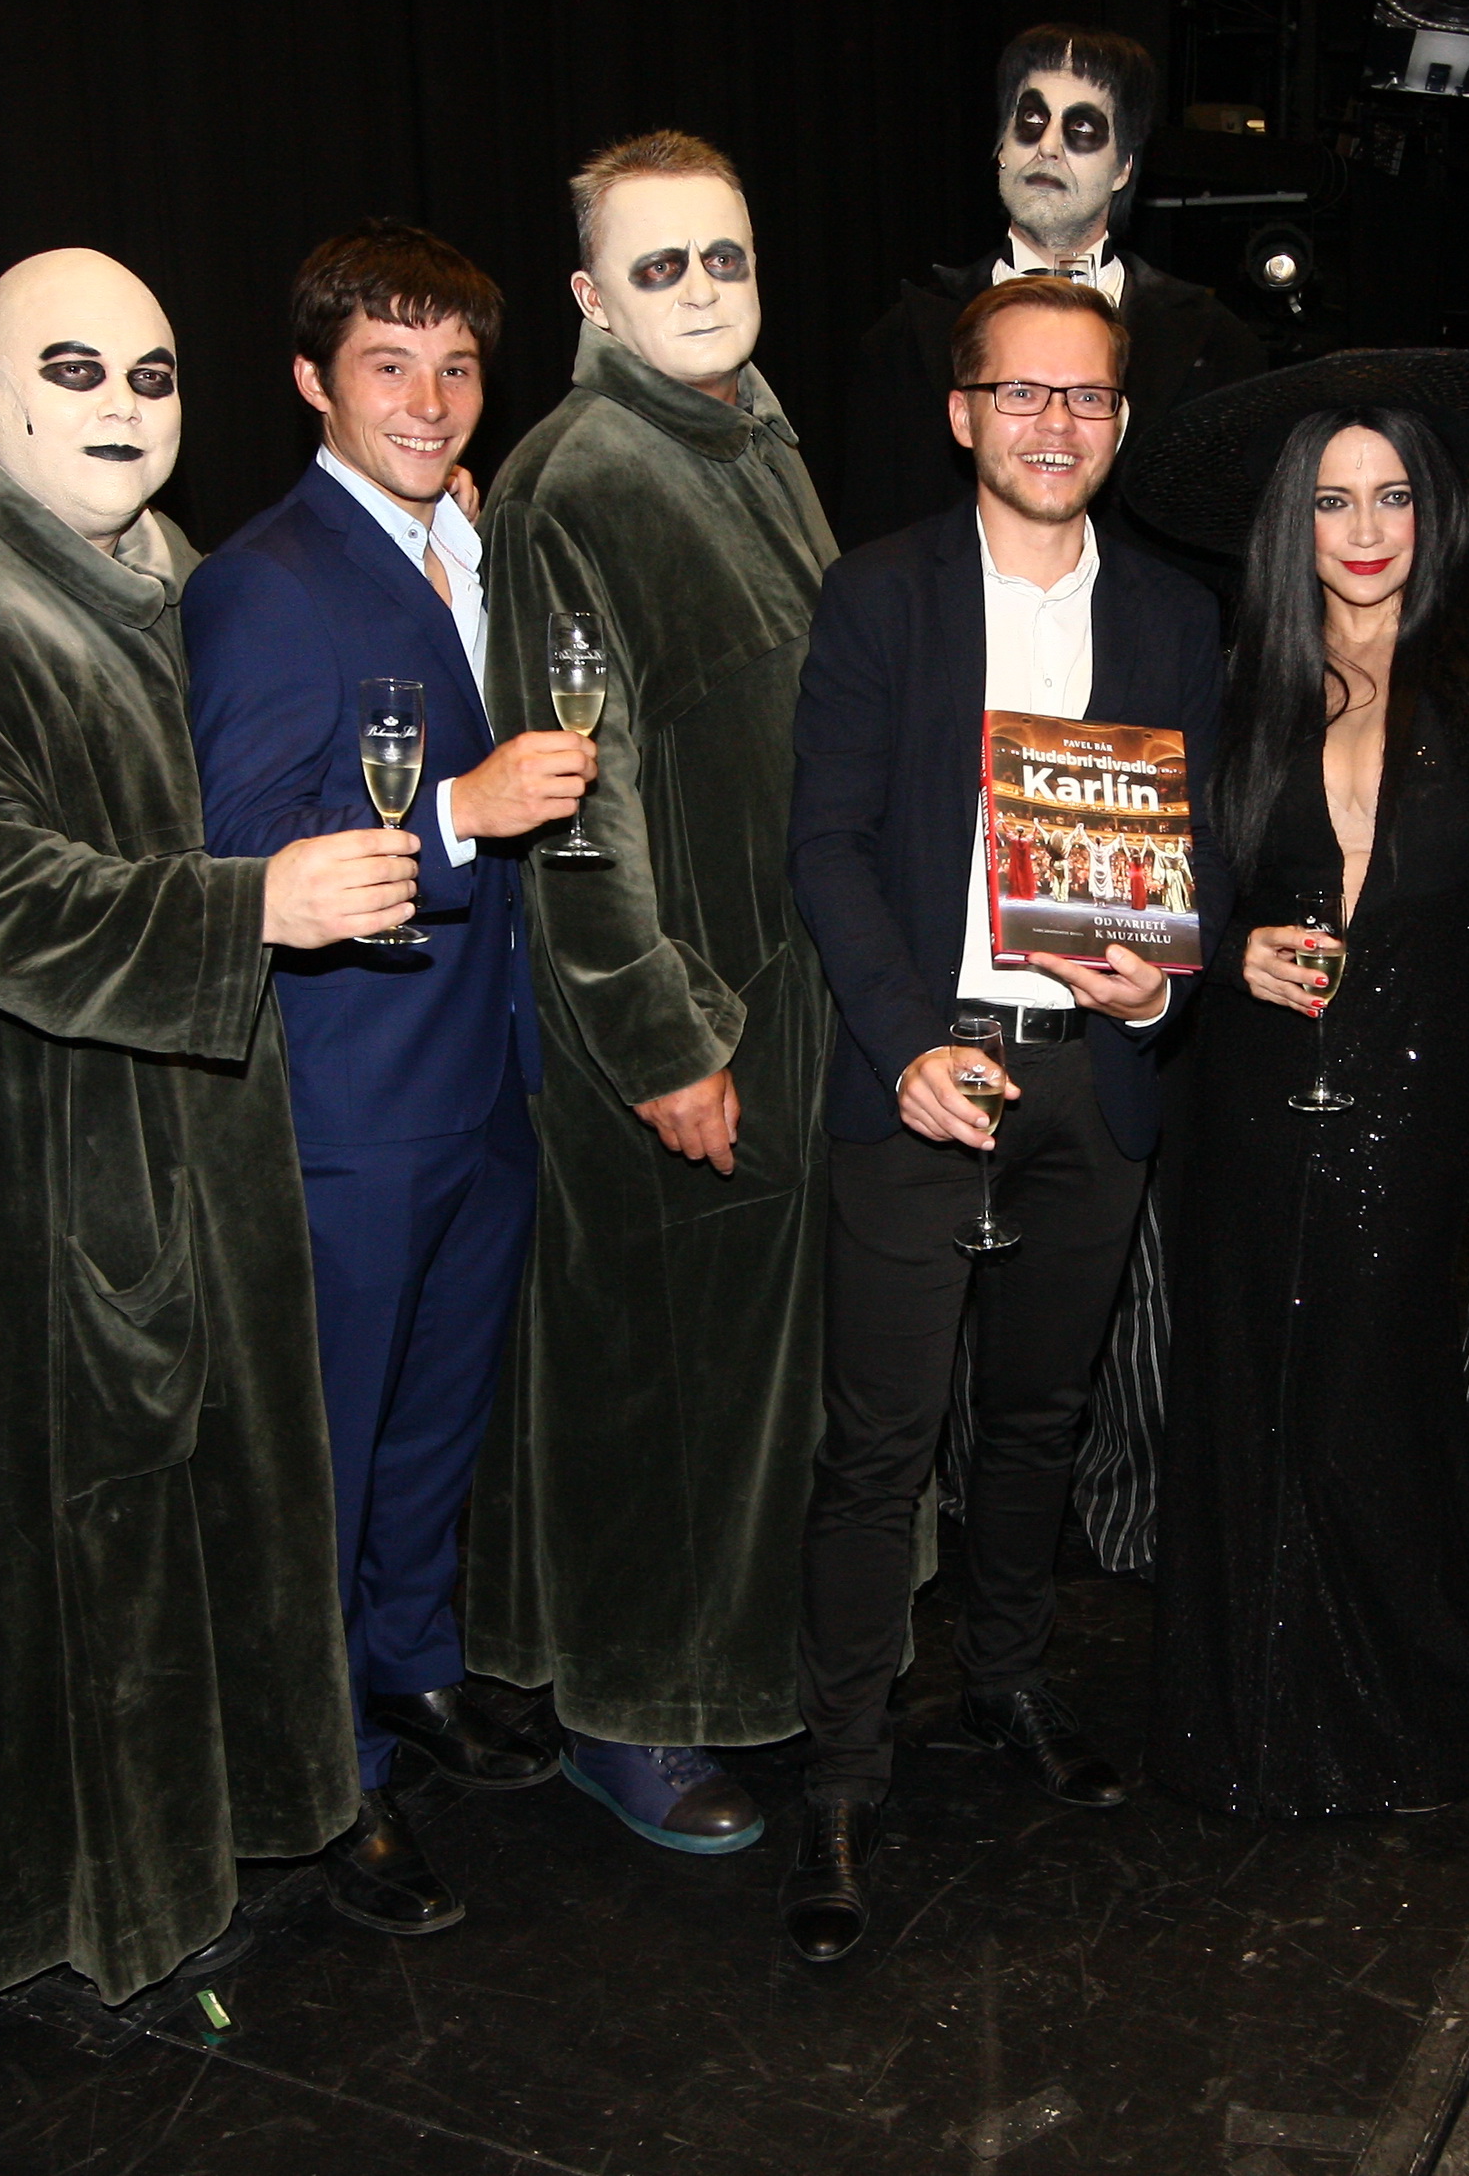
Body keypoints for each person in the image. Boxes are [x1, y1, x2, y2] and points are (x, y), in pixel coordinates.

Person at [0, 249, 409, 1999]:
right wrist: (253, 907)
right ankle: (51, 1902)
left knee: (181, 1543)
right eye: (75, 370)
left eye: (153, 376)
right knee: (55, 1569)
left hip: (172, 1166)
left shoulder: (162, 577)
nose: (123, 408)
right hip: (3, 1196)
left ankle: (201, 1846)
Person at [781, 274, 1226, 1961]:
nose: (1057, 423)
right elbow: (825, 842)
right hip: (924, 1072)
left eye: (1087, 395)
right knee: (880, 1446)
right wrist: (903, 1040)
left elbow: (1201, 847)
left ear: (1122, 422)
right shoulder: (881, 592)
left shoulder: (1175, 613)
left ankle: (1008, 1676)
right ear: (964, 412)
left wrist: (1160, 988)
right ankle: (840, 1767)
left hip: (1092, 1073)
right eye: (1024, 393)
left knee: (1041, 1418)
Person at [184, 224, 595, 1936]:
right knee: (333, 1453)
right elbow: (246, 846)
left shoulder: (469, 548)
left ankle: (415, 1665)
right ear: (311, 381)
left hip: (485, 1072)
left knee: (437, 1420)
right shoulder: (265, 581)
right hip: (350, 1103)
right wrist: (458, 816)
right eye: (387, 366)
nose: (429, 401)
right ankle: (325, 1763)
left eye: (457, 367)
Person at [1132, 351, 1469, 1819]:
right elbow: (1156, 893)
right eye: (1333, 500)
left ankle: (1397, 1712)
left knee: (1375, 1399)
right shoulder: (1233, 670)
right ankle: (1238, 1721)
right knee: (1239, 1387)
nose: (1364, 529)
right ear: (1294, 518)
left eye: (1391, 495)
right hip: (1243, 1096)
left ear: (1433, 508)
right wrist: (1224, 953)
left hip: (1415, 1103)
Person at [462, 132, 839, 1858]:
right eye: (660, 264)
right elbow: (578, 803)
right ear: (592, 296)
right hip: (684, 1026)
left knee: (747, 1381)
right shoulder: (574, 479)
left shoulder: (756, 433)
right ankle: (628, 1715)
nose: (701, 289)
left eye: (725, 256)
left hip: (793, 1003)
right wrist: (665, 1042)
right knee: (658, 1385)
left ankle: (736, 1672)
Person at [837, 24, 1266, 552]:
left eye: (1081, 128)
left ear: (1123, 167)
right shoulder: (901, 343)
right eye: (1031, 121)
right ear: (1001, 148)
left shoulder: (1217, 348)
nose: (1047, 147)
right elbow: (868, 552)